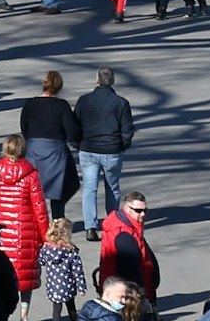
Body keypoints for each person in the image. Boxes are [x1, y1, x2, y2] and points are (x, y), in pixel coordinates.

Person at [0, 136, 49, 321]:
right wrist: (45, 236)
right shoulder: (30, 174)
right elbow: (39, 208)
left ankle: (0, 319)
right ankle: (24, 318)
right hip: (24, 232)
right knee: (25, 280)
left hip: (1, 233)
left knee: (1, 279)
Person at [75, 68, 134, 239]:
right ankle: (112, 222)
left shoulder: (84, 101)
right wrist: (122, 145)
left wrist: (77, 143)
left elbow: (75, 125)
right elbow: (127, 129)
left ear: (97, 80)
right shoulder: (121, 102)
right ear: (113, 81)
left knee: (89, 188)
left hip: (88, 148)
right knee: (113, 188)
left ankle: (90, 227)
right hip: (112, 150)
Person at [20, 71, 81, 219]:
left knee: (34, 188)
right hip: (56, 151)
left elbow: (24, 126)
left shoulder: (30, 103)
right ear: (59, 86)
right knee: (61, 188)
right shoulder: (62, 105)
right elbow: (72, 130)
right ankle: (57, 220)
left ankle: (35, 220)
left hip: (34, 150)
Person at [96, 191, 160, 302]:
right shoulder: (124, 236)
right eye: (138, 211)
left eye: (145, 210)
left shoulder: (127, 227)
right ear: (127, 209)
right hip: (129, 295)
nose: (143, 214)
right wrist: (141, 296)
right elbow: (130, 272)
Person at [37, 218, 84, 321]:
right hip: (68, 284)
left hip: (53, 285)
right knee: (71, 306)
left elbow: (40, 260)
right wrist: (81, 286)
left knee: (56, 308)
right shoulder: (70, 251)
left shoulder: (47, 248)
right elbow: (77, 270)